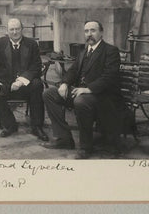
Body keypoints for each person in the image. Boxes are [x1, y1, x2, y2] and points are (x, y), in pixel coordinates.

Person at [42, 20, 122, 159]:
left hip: (102, 97)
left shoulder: (110, 51)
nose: (89, 34)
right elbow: (72, 71)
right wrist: (65, 83)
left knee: (80, 101)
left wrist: (88, 89)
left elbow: (110, 77)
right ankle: (64, 138)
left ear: (101, 32)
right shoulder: (83, 52)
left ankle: (86, 147)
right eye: (86, 31)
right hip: (80, 93)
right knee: (49, 94)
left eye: (93, 30)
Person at [0, 18, 49, 141]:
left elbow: (36, 66)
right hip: (5, 84)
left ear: (22, 29)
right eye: (12, 29)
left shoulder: (31, 44)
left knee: (37, 84)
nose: (15, 32)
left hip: (25, 85)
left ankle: (36, 126)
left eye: (17, 29)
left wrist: (21, 81)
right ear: (7, 31)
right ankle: (10, 124)